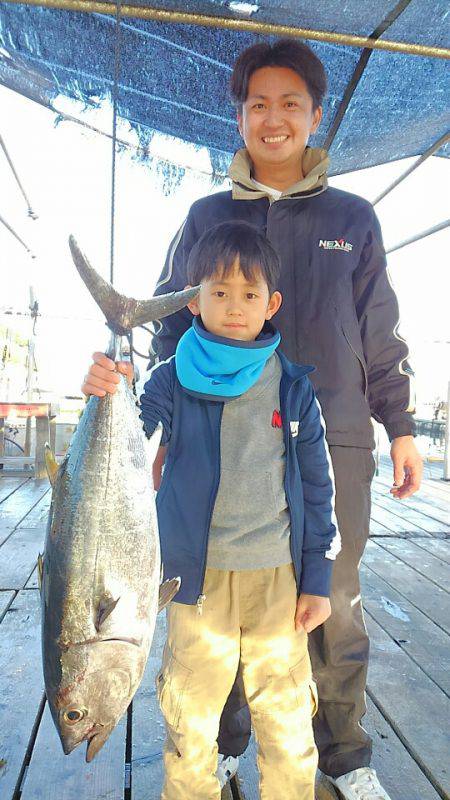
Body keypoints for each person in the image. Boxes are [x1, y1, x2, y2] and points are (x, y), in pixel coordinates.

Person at [149, 38, 423, 800]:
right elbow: (169, 326)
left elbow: (380, 330)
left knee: (330, 599)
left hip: (331, 443)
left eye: (290, 103)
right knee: (227, 593)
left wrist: (400, 427)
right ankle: (230, 740)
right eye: (258, 104)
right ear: (238, 115)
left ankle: (345, 754)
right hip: (220, 444)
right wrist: (163, 428)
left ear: (315, 114)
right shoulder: (206, 216)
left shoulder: (352, 217)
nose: (274, 119)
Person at [82, 221, 339, 799]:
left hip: (279, 580)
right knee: (190, 718)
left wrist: (317, 580)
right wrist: (107, 390)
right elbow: (132, 437)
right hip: (190, 583)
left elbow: (320, 488)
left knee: (287, 718)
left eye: (249, 295)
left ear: (271, 304)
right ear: (194, 300)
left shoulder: (294, 387)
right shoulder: (168, 380)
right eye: (218, 292)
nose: (234, 307)